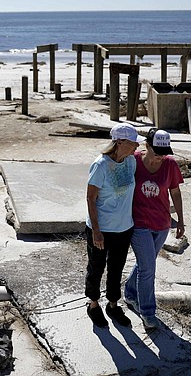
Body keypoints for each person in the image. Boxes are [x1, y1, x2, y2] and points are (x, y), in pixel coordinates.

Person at [124, 128, 185, 331]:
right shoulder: (132, 161)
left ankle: (131, 293)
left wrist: (181, 221)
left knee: (145, 265)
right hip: (138, 223)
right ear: (147, 146)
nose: (160, 157)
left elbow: (175, 193)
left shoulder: (170, 165)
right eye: (157, 152)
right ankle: (148, 312)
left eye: (164, 152)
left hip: (162, 224)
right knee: (149, 268)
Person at [84, 123, 139, 328]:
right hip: (102, 229)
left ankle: (113, 304)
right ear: (120, 142)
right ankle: (93, 304)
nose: (136, 146)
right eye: (133, 142)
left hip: (124, 228)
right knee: (96, 267)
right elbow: (91, 199)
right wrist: (96, 232)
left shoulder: (131, 162)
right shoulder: (100, 165)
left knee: (117, 268)